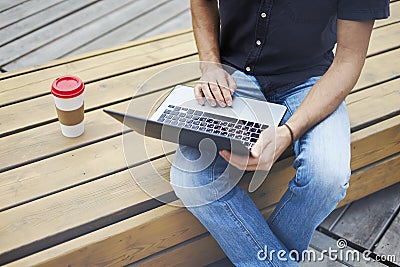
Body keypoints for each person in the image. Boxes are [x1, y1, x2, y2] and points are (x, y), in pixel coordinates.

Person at [170, 0, 390, 266]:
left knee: (327, 177)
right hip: (234, 77)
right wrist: (210, 66)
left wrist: (288, 132)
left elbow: (348, 60)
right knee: (191, 177)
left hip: (312, 81)